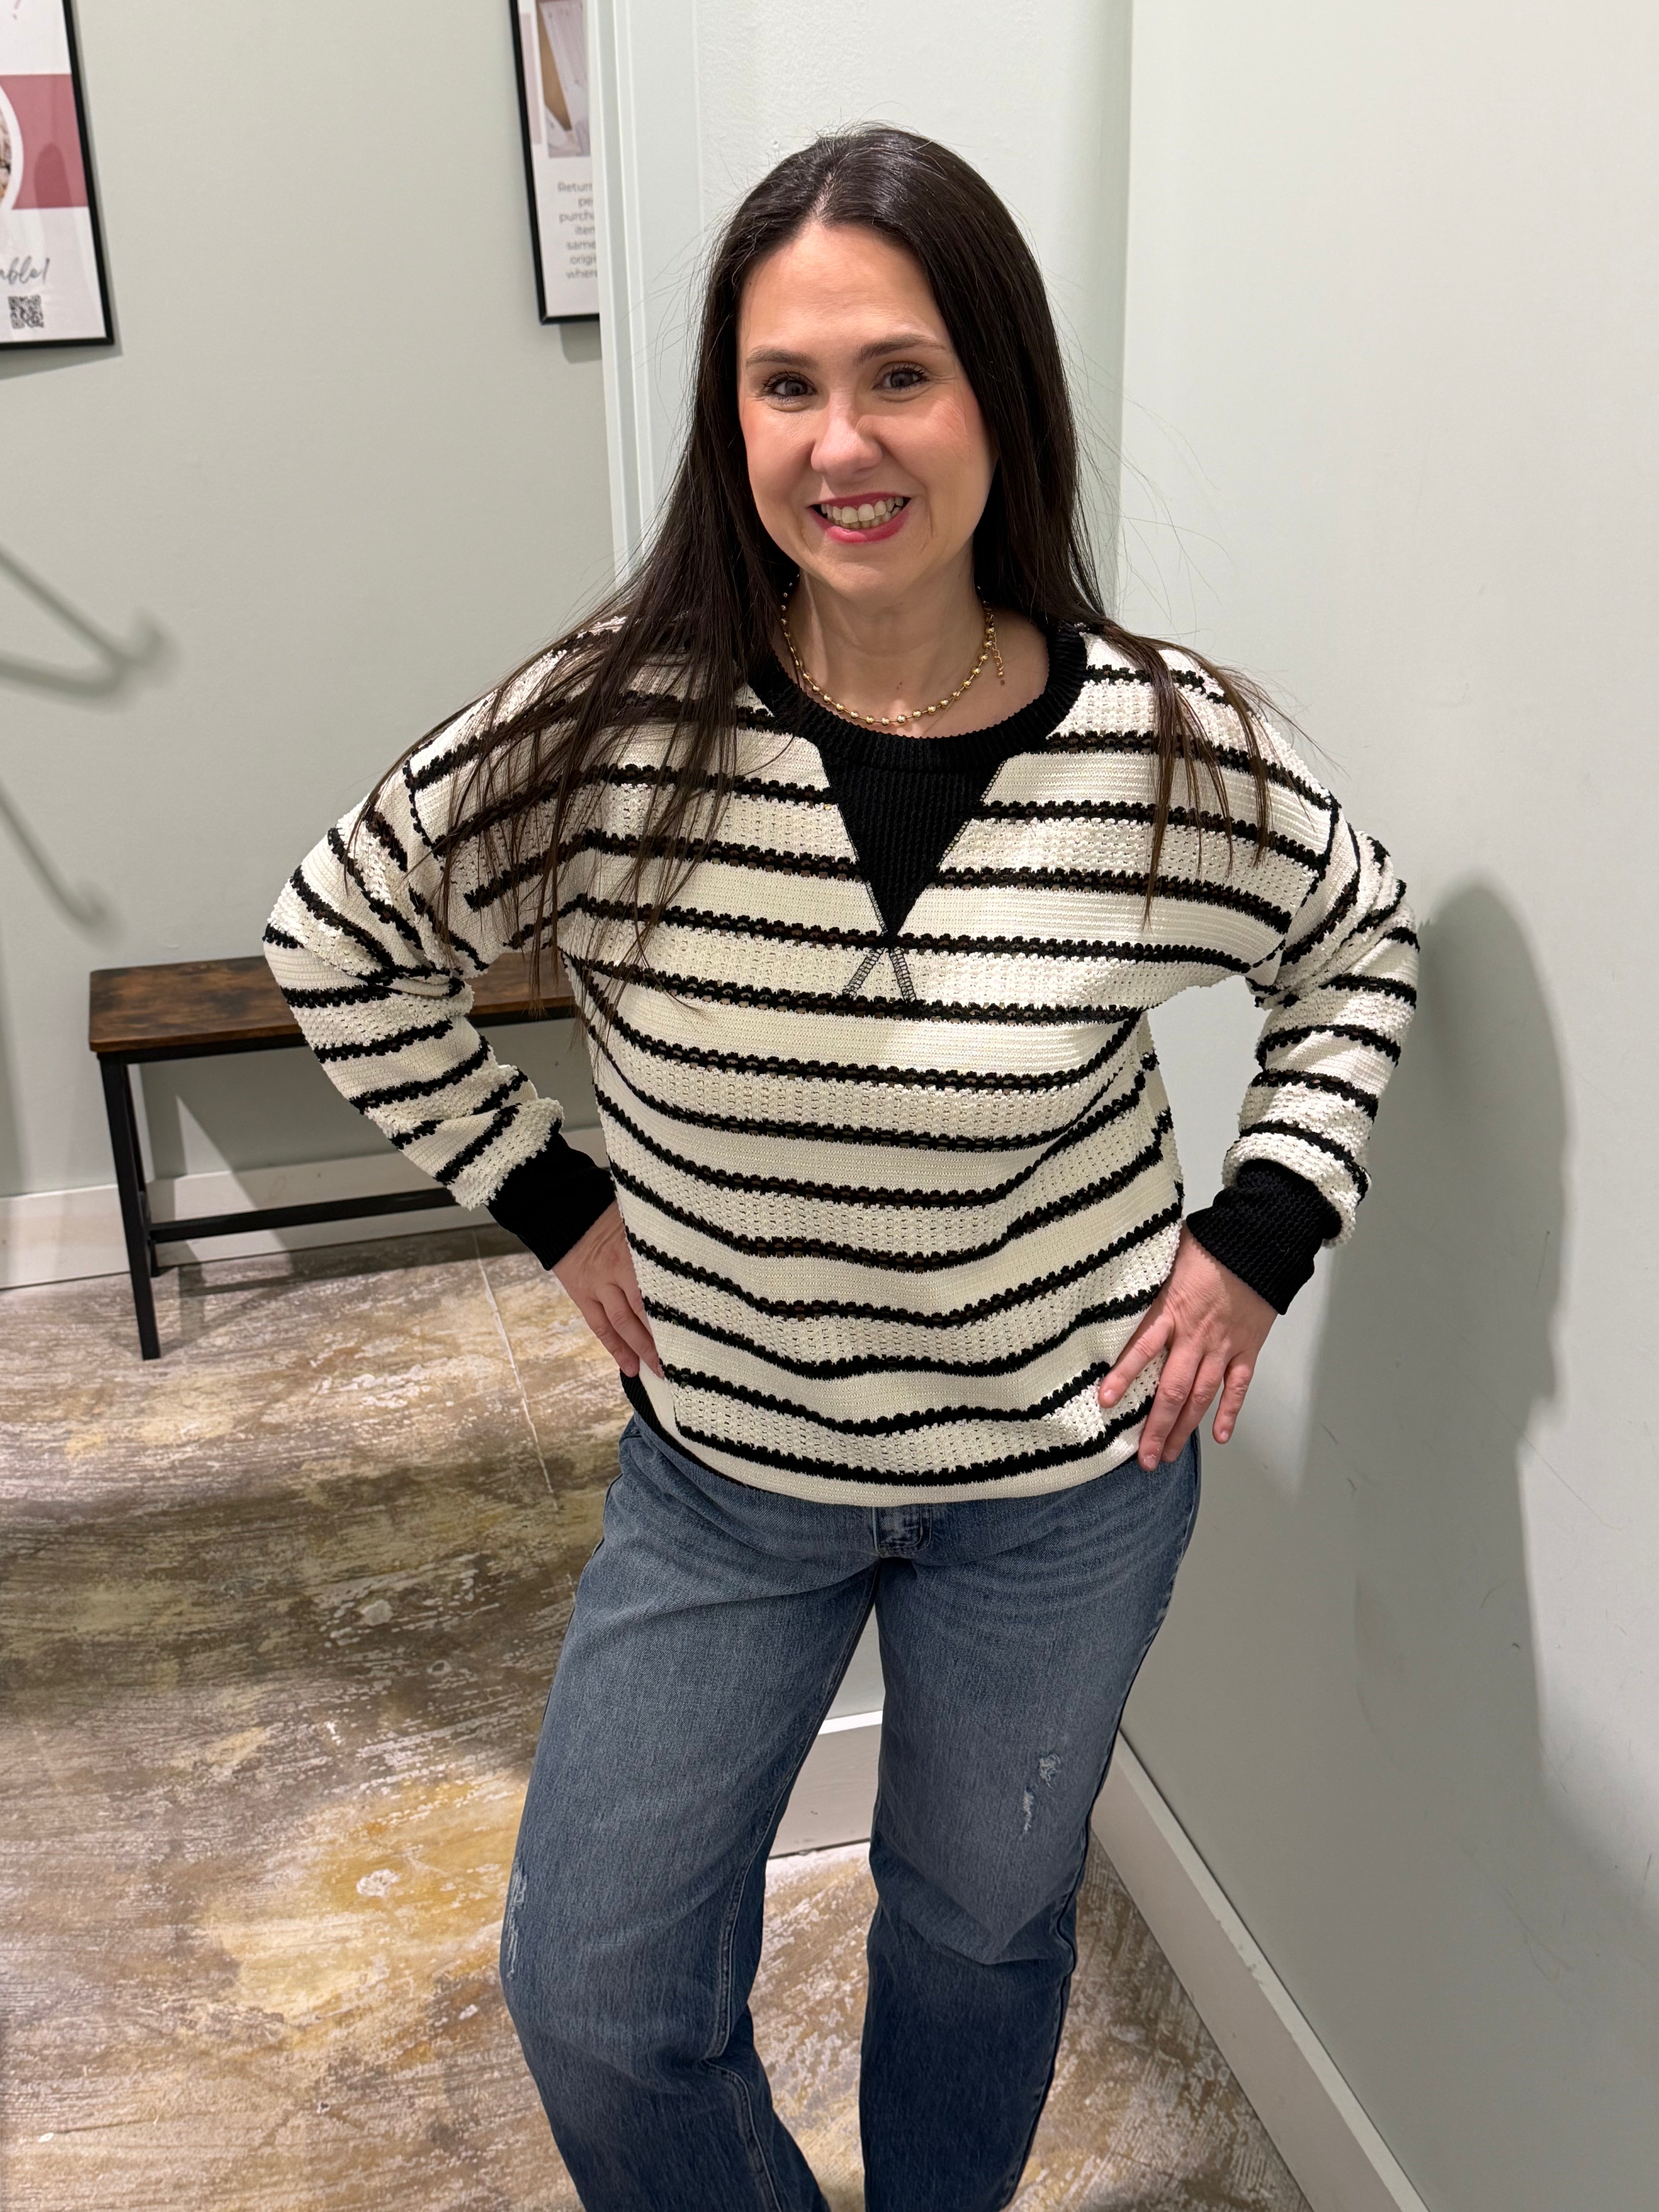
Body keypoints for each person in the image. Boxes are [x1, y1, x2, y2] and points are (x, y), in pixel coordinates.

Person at [267, 127, 1416, 2212]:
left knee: (977, 1935)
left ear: (1000, 397)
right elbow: (336, 938)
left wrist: (1260, 1235)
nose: (840, 442)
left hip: (1064, 1491)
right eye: (785, 385)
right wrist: (549, 1198)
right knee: (596, 1994)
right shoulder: (608, 734)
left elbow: (1357, 943)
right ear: (732, 423)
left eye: (900, 375)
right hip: (729, 1468)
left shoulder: (1162, 751)